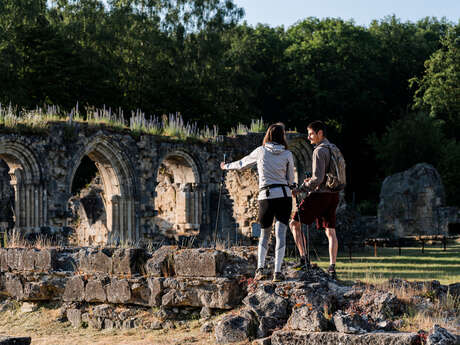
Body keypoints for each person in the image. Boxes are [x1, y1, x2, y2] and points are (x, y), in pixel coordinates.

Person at [221, 123, 294, 282]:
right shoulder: (288, 154)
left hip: (266, 197)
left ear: (268, 135)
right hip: (284, 196)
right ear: (282, 136)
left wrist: (226, 166)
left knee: (265, 233)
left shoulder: (260, 151)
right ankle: (277, 272)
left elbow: (242, 164)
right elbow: (290, 180)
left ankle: (260, 269)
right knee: (281, 233)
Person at [290, 120, 339, 278]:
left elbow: (317, 179)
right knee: (330, 231)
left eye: (311, 133)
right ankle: (332, 267)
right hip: (333, 194)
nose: (309, 137)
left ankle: (304, 259)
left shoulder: (319, 151)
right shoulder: (333, 148)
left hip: (320, 195)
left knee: (294, 223)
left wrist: (301, 189)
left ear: (320, 133)